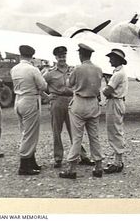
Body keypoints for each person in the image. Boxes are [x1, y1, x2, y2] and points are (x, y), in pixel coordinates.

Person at [43, 46, 94, 168]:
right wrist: (47, 97)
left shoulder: (73, 70)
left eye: (64, 56)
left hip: (72, 101)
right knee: (57, 130)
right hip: (57, 101)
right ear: (55, 57)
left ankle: (82, 156)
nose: (62, 58)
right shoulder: (50, 73)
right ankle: (58, 158)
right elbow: (39, 84)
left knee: (75, 130)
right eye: (60, 56)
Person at [59, 43, 104, 179]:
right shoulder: (98, 69)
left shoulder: (78, 69)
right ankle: (98, 166)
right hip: (93, 103)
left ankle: (71, 168)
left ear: (80, 55)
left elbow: (69, 84)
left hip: (79, 103)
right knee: (94, 136)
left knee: (77, 137)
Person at [10, 45, 47, 175]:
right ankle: (24, 165)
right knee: (30, 133)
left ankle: (31, 161)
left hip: (18, 99)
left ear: (20, 55)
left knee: (25, 131)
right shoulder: (33, 69)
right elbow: (43, 85)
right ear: (32, 56)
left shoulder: (14, 69)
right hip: (30, 100)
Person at [102, 48, 128, 174]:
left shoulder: (118, 74)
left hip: (115, 101)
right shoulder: (119, 72)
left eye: (112, 58)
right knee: (116, 130)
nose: (110, 60)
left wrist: (103, 90)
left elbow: (107, 91)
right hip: (118, 101)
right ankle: (117, 160)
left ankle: (117, 163)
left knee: (114, 131)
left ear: (117, 60)